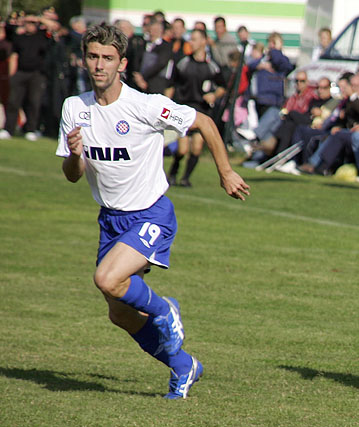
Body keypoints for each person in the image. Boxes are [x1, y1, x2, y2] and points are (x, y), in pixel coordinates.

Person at [55, 23, 250, 399]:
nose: (99, 65)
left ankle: (165, 310)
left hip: (150, 214)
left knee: (106, 279)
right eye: (93, 57)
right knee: (119, 313)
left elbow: (205, 122)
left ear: (122, 63)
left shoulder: (145, 106)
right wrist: (75, 155)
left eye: (107, 58)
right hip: (110, 220)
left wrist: (225, 171)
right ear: (84, 59)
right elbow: (72, 176)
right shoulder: (74, 108)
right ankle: (183, 366)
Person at [167, 28, 227, 187]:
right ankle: (172, 173)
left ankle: (185, 178)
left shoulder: (212, 66)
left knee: (197, 148)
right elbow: (171, 84)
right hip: (183, 109)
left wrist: (214, 95)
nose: (190, 42)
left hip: (201, 111)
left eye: (194, 39)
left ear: (203, 42)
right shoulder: (183, 62)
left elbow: (222, 86)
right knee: (182, 149)